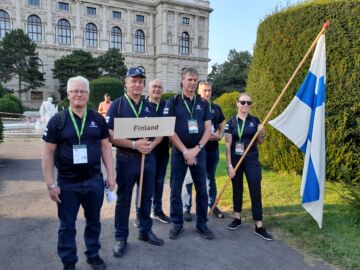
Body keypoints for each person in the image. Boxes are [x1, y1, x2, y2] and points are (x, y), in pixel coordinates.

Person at [41, 76, 116, 270]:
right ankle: (69, 262)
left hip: (94, 181)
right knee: (67, 226)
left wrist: (111, 175)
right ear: (68, 95)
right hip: (67, 184)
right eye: (75, 91)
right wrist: (51, 183)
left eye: (83, 91)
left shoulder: (97, 119)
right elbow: (48, 153)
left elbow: (106, 147)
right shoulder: (57, 120)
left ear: (88, 94)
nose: (79, 94)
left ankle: (93, 255)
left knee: (94, 222)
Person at [107, 67, 164, 258]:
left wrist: (152, 145)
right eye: (134, 81)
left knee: (146, 197)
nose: (138, 84)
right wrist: (134, 144)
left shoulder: (150, 107)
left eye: (141, 81)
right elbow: (110, 135)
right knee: (123, 200)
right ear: (126, 82)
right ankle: (121, 237)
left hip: (148, 160)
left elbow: (160, 132)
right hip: (126, 160)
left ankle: (145, 231)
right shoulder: (117, 105)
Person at [163, 67, 214, 240]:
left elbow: (208, 129)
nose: (192, 83)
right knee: (176, 190)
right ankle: (177, 224)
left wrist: (196, 149)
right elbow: (169, 130)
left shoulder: (203, 103)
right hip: (179, 152)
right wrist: (186, 151)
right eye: (189, 79)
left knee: (202, 190)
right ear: (182, 80)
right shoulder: (173, 102)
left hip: (199, 151)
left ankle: (202, 224)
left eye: (195, 80)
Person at [224, 92, 273, 241]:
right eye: (243, 102)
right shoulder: (231, 122)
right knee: (237, 189)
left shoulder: (255, 120)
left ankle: (259, 225)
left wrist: (261, 132)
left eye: (249, 103)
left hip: (251, 160)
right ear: (237, 103)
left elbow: (261, 141)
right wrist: (229, 165)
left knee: (255, 191)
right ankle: (237, 218)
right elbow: (227, 144)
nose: (246, 105)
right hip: (236, 160)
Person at [182, 81, 225, 220]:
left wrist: (219, 135)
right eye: (204, 90)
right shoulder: (192, 106)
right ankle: (186, 208)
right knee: (188, 179)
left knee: (210, 178)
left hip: (211, 150)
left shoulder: (216, 108)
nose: (207, 93)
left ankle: (212, 205)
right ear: (198, 91)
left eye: (209, 90)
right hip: (194, 150)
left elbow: (222, 127)